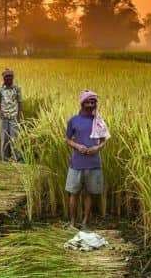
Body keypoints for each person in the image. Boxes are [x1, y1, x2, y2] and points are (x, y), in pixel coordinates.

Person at [64, 90, 109, 229]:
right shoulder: (74, 120)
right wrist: (77, 146)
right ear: (82, 102)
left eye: (94, 101)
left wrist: (97, 148)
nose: (91, 103)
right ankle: (72, 222)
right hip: (76, 163)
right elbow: (67, 139)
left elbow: (103, 140)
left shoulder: (99, 121)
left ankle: (85, 222)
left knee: (89, 193)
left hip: (93, 163)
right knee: (73, 193)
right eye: (89, 101)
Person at [0, 68, 22, 160]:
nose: (9, 78)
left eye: (10, 76)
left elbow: (20, 103)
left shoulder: (17, 89)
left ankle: (16, 157)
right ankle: (5, 158)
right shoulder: (0, 90)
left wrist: (19, 116)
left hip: (14, 116)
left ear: (13, 78)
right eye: (7, 77)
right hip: (3, 117)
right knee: (4, 138)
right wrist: (1, 114)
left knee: (14, 138)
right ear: (3, 78)